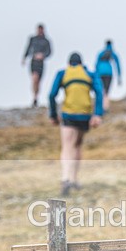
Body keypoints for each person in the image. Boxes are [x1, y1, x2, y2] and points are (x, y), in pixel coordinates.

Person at [48, 52, 104, 196]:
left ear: (69, 63)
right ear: (81, 63)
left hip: (68, 115)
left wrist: (53, 115)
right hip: (85, 115)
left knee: (67, 146)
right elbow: (99, 92)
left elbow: (52, 94)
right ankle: (74, 179)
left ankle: (66, 178)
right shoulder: (89, 74)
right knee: (77, 145)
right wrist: (98, 114)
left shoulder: (63, 73)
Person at [22, 24, 52, 107]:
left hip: (41, 63)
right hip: (33, 62)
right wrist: (24, 58)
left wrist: (43, 55)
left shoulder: (46, 41)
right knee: (34, 78)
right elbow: (28, 48)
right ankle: (34, 97)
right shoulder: (32, 39)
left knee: (38, 81)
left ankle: (36, 97)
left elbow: (49, 52)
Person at [94, 40, 122, 110]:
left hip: (100, 73)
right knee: (107, 91)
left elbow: (96, 64)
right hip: (109, 73)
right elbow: (117, 64)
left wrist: (95, 75)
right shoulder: (112, 53)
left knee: (101, 90)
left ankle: (100, 106)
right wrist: (119, 76)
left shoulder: (101, 53)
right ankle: (105, 107)